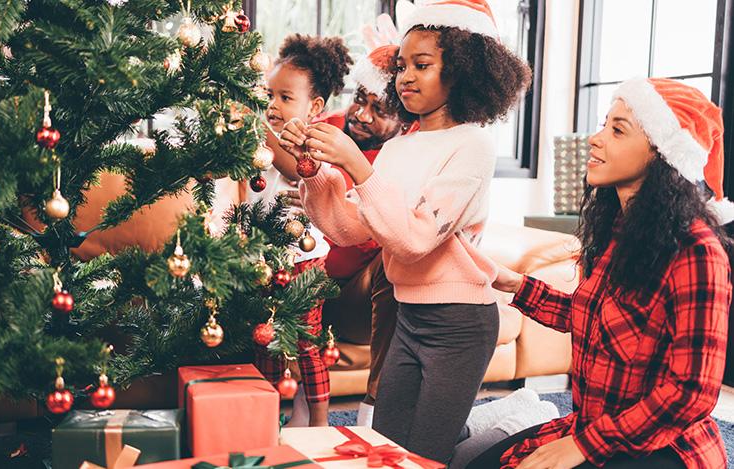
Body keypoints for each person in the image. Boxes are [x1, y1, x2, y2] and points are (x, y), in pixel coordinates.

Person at [279, 0, 532, 461]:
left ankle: (516, 425)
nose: (405, 77)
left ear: (460, 71)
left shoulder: (472, 145)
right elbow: (354, 229)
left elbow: (413, 241)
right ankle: (485, 422)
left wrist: (356, 163)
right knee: (391, 451)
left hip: (459, 325)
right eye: (401, 66)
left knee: (428, 457)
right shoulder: (399, 148)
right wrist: (315, 171)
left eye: (422, 65)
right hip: (410, 319)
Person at [478, 78, 733, 468]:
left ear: (661, 154)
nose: (595, 139)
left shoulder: (696, 252)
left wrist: (582, 447)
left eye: (617, 130)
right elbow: (591, 318)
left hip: (661, 448)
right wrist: (514, 285)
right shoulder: (618, 230)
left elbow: (692, 391)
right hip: (594, 426)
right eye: (603, 125)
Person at [272, 43, 406, 427]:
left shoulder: (395, 159)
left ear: (403, 121)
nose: (361, 114)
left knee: (392, 262)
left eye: (378, 110)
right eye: (359, 100)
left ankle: (374, 410)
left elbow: (354, 222)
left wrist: (314, 187)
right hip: (299, 279)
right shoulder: (327, 125)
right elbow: (294, 158)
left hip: (352, 298)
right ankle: (290, 408)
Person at [250, 33, 353, 428]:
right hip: (263, 258)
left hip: (303, 260)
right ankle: (272, 417)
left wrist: (261, 132)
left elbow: (296, 170)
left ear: (315, 107)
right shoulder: (266, 141)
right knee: (268, 341)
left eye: (285, 97)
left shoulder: (312, 141)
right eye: (268, 94)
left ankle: (321, 421)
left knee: (306, 343)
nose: (272, 105)